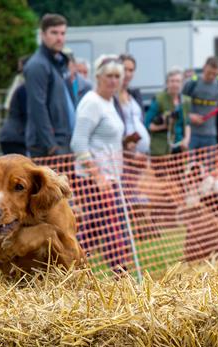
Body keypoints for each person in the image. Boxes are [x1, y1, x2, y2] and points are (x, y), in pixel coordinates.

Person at [71, 55, 133, 274]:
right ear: (98, 77)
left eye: (118, 76)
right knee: (112, 227)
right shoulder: (91, 103)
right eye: (109, 76)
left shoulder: (110, 102)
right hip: (93, 180)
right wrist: (97, 176)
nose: (114, 81)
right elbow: (78, 143)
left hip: (111, 177)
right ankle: (121, 273)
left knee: (93, 229)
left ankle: (71, 267)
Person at [25, 13, 74, 157]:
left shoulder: (59, 62)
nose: (60, 38)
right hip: (47, 147)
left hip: (63, 140)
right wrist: (51, 145)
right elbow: (37, 107)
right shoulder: (37, 65)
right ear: (42, 34)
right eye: (54, 33)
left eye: (63, 33)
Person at [183, 56, 218, 150]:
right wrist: (190, 116)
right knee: (190, 164)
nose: (211, 76)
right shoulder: (192, 83)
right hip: (192, 133)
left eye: (214, 74)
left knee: (210, 164)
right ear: (204, 68)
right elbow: (181, 104)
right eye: (209, 73)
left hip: (210, 134)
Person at [145, 66, 192, 156]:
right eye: (172, 81)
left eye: (178, 81)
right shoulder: (159, 99)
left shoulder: (186, 101)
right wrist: (165, 125)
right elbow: (148, 124)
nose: (175, 84)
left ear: (182, 83)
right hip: (161, 148)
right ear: (167, 83)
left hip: (179, 146)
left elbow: (187, 123)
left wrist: (186, 140)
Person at [116, 54, 150, 154]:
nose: (127, 74)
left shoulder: (133, 94)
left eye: (131, 70)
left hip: (141, 152)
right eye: (124, 69)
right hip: (125, 152)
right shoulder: (113, 96)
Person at [0, 56, 30, 156]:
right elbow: (27, 114)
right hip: (17, 138)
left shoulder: (21, 87)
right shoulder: (25, 89)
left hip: (12, 136)